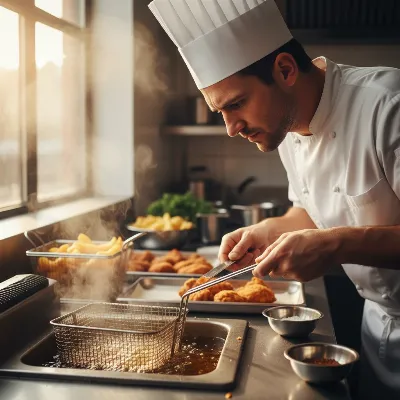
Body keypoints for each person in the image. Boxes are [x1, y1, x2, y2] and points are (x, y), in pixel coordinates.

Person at [148, 1, 400, 398]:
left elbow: (336, 231)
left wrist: (336, 245)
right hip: (379, 330)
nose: (231, 128)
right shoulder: (284, 127)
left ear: (284, 70)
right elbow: (312, 210)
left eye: (235, 104)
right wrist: (269, 230)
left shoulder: (388, 106)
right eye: (221, 112)